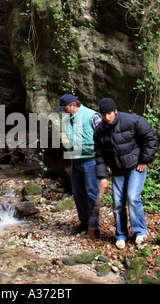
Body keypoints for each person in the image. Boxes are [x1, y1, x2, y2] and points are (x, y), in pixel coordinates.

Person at [94, 98, 158, 249]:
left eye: (109, 113)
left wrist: (144, 160)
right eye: (104, 115)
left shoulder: (133, 121)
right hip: (117, 170)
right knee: (118, 204)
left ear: (115, 111)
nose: (107, 117)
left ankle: (140, 232)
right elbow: (99, 154)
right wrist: (103, 176)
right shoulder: (100, 130)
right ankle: (121, 235)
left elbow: (150, 138)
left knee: (133, 197)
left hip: (136, 166)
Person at [57, 94, 102, 239]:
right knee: (78, 194)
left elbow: (103, 137)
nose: (63, 112)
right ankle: (84, 222)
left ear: (72, 105)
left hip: (91, 160)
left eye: (65, 108)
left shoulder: (91, 116)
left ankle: (94, 228)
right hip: (75, 159)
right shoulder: (66, 118)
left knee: (92, 194)